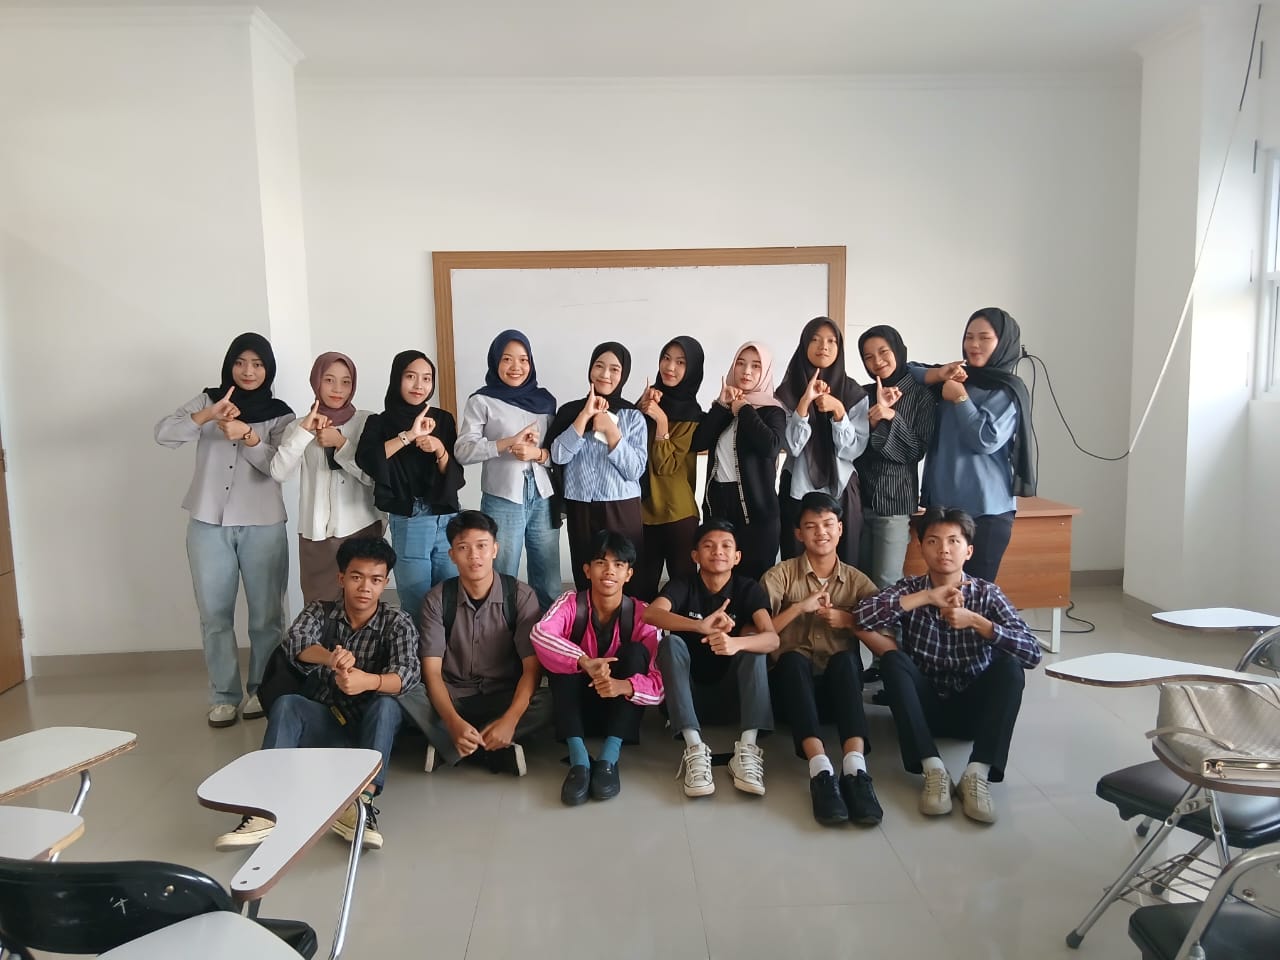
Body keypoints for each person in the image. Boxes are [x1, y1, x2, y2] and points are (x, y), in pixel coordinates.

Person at [214, 538, 421, 852]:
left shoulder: (397, 622)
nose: (365, 587)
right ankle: (264, 809)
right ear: (341, 578)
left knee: (387, 706)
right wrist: (331, 657)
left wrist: (367, 681)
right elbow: (295, 642)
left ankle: (360, 806)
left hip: (370, 731)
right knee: (288, 704)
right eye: (357, 577)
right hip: (326, 723)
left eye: (375, 580)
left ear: (385, 583)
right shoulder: (320, 611)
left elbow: (407, 674)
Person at [855, 507, 1041, 824]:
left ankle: (977, 773)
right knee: (894, 662)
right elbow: (861, 616)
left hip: (973, 712)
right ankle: (933, 770)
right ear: (921, 547)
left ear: (968, 551)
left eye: (954, 541)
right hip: (924, 710)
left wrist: (980, 623)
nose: (944, 549)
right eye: (933, 541)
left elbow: (1032, 653)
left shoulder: (987, 594)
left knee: (1010, 668)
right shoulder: (910, 588)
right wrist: (926, 598)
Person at [155, 332, 294, 728]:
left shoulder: (281, 414)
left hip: (263, 524)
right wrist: (208, 416)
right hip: (208, 523)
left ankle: (261, 691)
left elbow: (278, 467)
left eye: (258, 364)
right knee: (214, 616)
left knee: (266, 618)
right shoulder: (207, 400)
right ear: (230, 364)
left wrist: (248, 436)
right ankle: (223, 696)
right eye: (240, 362)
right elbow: (163, 433)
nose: (248, 371)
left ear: (268, 369)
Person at [760, 492, 885, 827]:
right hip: (789, 697)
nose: (821, 532)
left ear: (840, 529)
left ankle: (855, 769)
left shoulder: (858, 582)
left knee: (845, 661)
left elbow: (887, 646)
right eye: (811, 526)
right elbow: (755, 634)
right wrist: (799, 608)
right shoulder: (780, 576)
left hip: (836, 698)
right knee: (792, 660)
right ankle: (820, 771)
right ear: (798, 533)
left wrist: (850, 622)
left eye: (828, 524)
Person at [645, 519, 779, 798]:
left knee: (753, 643)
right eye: (708, 546)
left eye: (726, 546)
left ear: (737, 556)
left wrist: (735, 643)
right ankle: (693, 747)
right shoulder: (683, 585)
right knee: (670, 643)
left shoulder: (747, 588)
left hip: (735, 701)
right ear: (695, 555)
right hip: (688, 700)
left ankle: (747, 748)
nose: (718, 551)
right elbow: (651, 614)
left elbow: (772, 639)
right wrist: (698, 626)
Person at [413, 510, 550, 776]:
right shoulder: (437, 599)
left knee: (552, 699)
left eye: (482, 546)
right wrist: (452, 722)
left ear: (495, 549)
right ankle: (492, 748)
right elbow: (431, 671)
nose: (474, 555)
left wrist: (510, 720)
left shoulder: (520, 596)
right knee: (406, 691)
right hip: (453, 696)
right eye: (463, 548)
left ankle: (450, 746)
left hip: (503, 696)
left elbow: (532, 669)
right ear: (452, 555)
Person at [530, 531, 663, 806]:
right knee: (560, 653)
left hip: (619, 712)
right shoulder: (570, 603)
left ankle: (608, 759)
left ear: (629, 574)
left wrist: (623, 686)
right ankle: (578, 759)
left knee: (636, 653)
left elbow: (660, 683)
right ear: (587, 570)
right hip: (575, 710)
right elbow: (540, 634)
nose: (609, 571)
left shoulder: (643, 613)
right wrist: (583, 660)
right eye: (601, 563)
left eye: (618, 564)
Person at [913, 308, 1036, 581]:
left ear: (1003, 342)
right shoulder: (955, 378)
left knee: (976, 593)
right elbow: (907, 371)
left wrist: (960, 398)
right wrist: (938, 374)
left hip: (986, 511)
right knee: (943, 590)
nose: (974, 344)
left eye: (984, 337)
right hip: (943, 510)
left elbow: (985, 439)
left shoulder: (1007, 390)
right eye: (969, 337)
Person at [455, 331, 561, 610]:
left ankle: (548, 633)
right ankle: (501, 631)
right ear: (495, 361)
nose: (516, 367)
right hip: (503, 497)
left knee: (549, 580)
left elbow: (558, 454)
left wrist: (539, 454)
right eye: (507, 359)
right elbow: (463, 450)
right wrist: (505, 443)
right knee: (502, 576)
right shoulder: (482, 401)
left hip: (543, 495)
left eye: (523, 359)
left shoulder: (545, 401)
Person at [356, 350, 463, 623]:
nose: (419, 385)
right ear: (397, 379)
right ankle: (416, 652)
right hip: (410, 517)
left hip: (446, 516)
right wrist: (409, 435)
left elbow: (456, 474)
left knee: (452, 601)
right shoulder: (379, 422)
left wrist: (439, 448)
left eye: (426, 378)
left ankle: (448, 653)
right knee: (416, 604)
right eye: (411, 377)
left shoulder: (443, 419)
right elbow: (368, 461)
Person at [269, 351, 383, 604]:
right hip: (316, 532)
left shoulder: (367, 422)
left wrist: (342, 444)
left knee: (362, 605)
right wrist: (304, 432)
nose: (338, 389)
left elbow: (373, 477)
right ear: (316, 381)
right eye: (329, 380)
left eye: (346, 382)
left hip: (361, 526)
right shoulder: (298, 426)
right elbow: (279, 472)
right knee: (319, 608)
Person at [548, 342, 647, 592]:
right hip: (580, 504)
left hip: (621, 506)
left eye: (614, 369)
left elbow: (635, 470)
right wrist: (584, 417)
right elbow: (557, 456)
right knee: (586, 571)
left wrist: (612, 432)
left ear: (623, 374)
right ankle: (587, 617)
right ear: (590, 369)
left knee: (622, 574)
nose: (605, 374)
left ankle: (626, 618)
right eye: (599, 366)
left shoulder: (633, 416)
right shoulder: (571, 411)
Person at [774, 317, 870, 566]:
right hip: (797, 489)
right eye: (815, 340)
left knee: (845, 564)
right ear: (804, 344)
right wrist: (804, 403)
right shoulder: (785, 393)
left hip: (842, 490)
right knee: (797, 566)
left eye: (831, 341)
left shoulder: (854, 393)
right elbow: (792, 446)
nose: (823, 347)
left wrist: (839, 410)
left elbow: (852, 450)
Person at [692, 341, 786, 582]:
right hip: (719, 504)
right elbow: (698, 442)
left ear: (765, 371)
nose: (746, 371)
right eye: (741, 364)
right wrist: (722, 405)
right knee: (717, 578)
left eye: (756, 366)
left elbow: (770, 446)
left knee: (754, 582)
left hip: (758, 510)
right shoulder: (723, 408)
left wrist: (744, 409)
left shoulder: (772, 411)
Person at [854, 326, 936, 589]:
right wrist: (872, 422)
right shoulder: (862, 394)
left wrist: (890, 416)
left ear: (898, 351)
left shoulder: (921, 396)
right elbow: (852, 448)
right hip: (858, 501)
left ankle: (890, 621)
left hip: (895, 504)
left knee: (887, 582)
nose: (877, 361)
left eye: (883, 352)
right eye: (868, 357)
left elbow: (915, 451)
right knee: (858, 581)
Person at [635, 336, 706, 600]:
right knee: (640, 591)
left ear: (693, 369)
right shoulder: (649, 403)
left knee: (683, 591)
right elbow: (630, 447)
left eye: (680, 362)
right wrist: (640, 407)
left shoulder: (692, 415)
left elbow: (666, 465)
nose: (670, 367)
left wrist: (662, 421)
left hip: (677, 514)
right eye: (666, 358)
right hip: (642, 513)